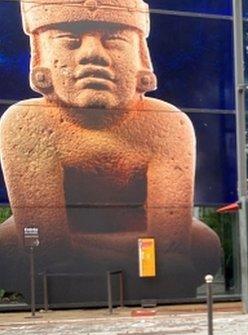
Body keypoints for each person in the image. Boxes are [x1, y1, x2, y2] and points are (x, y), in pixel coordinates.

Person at [0, 0, 221, 300]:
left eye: (114, 40)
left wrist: (79, 253)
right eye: (71, 41)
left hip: (136, 242)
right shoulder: (25, 122)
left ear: (141, 57)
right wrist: (141, 254)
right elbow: (48, 250)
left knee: (204, 244)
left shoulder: (169, 124)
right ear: (41, 57)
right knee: (10, 245)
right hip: (134, 251)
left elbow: (174, 253)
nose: (93, 55)